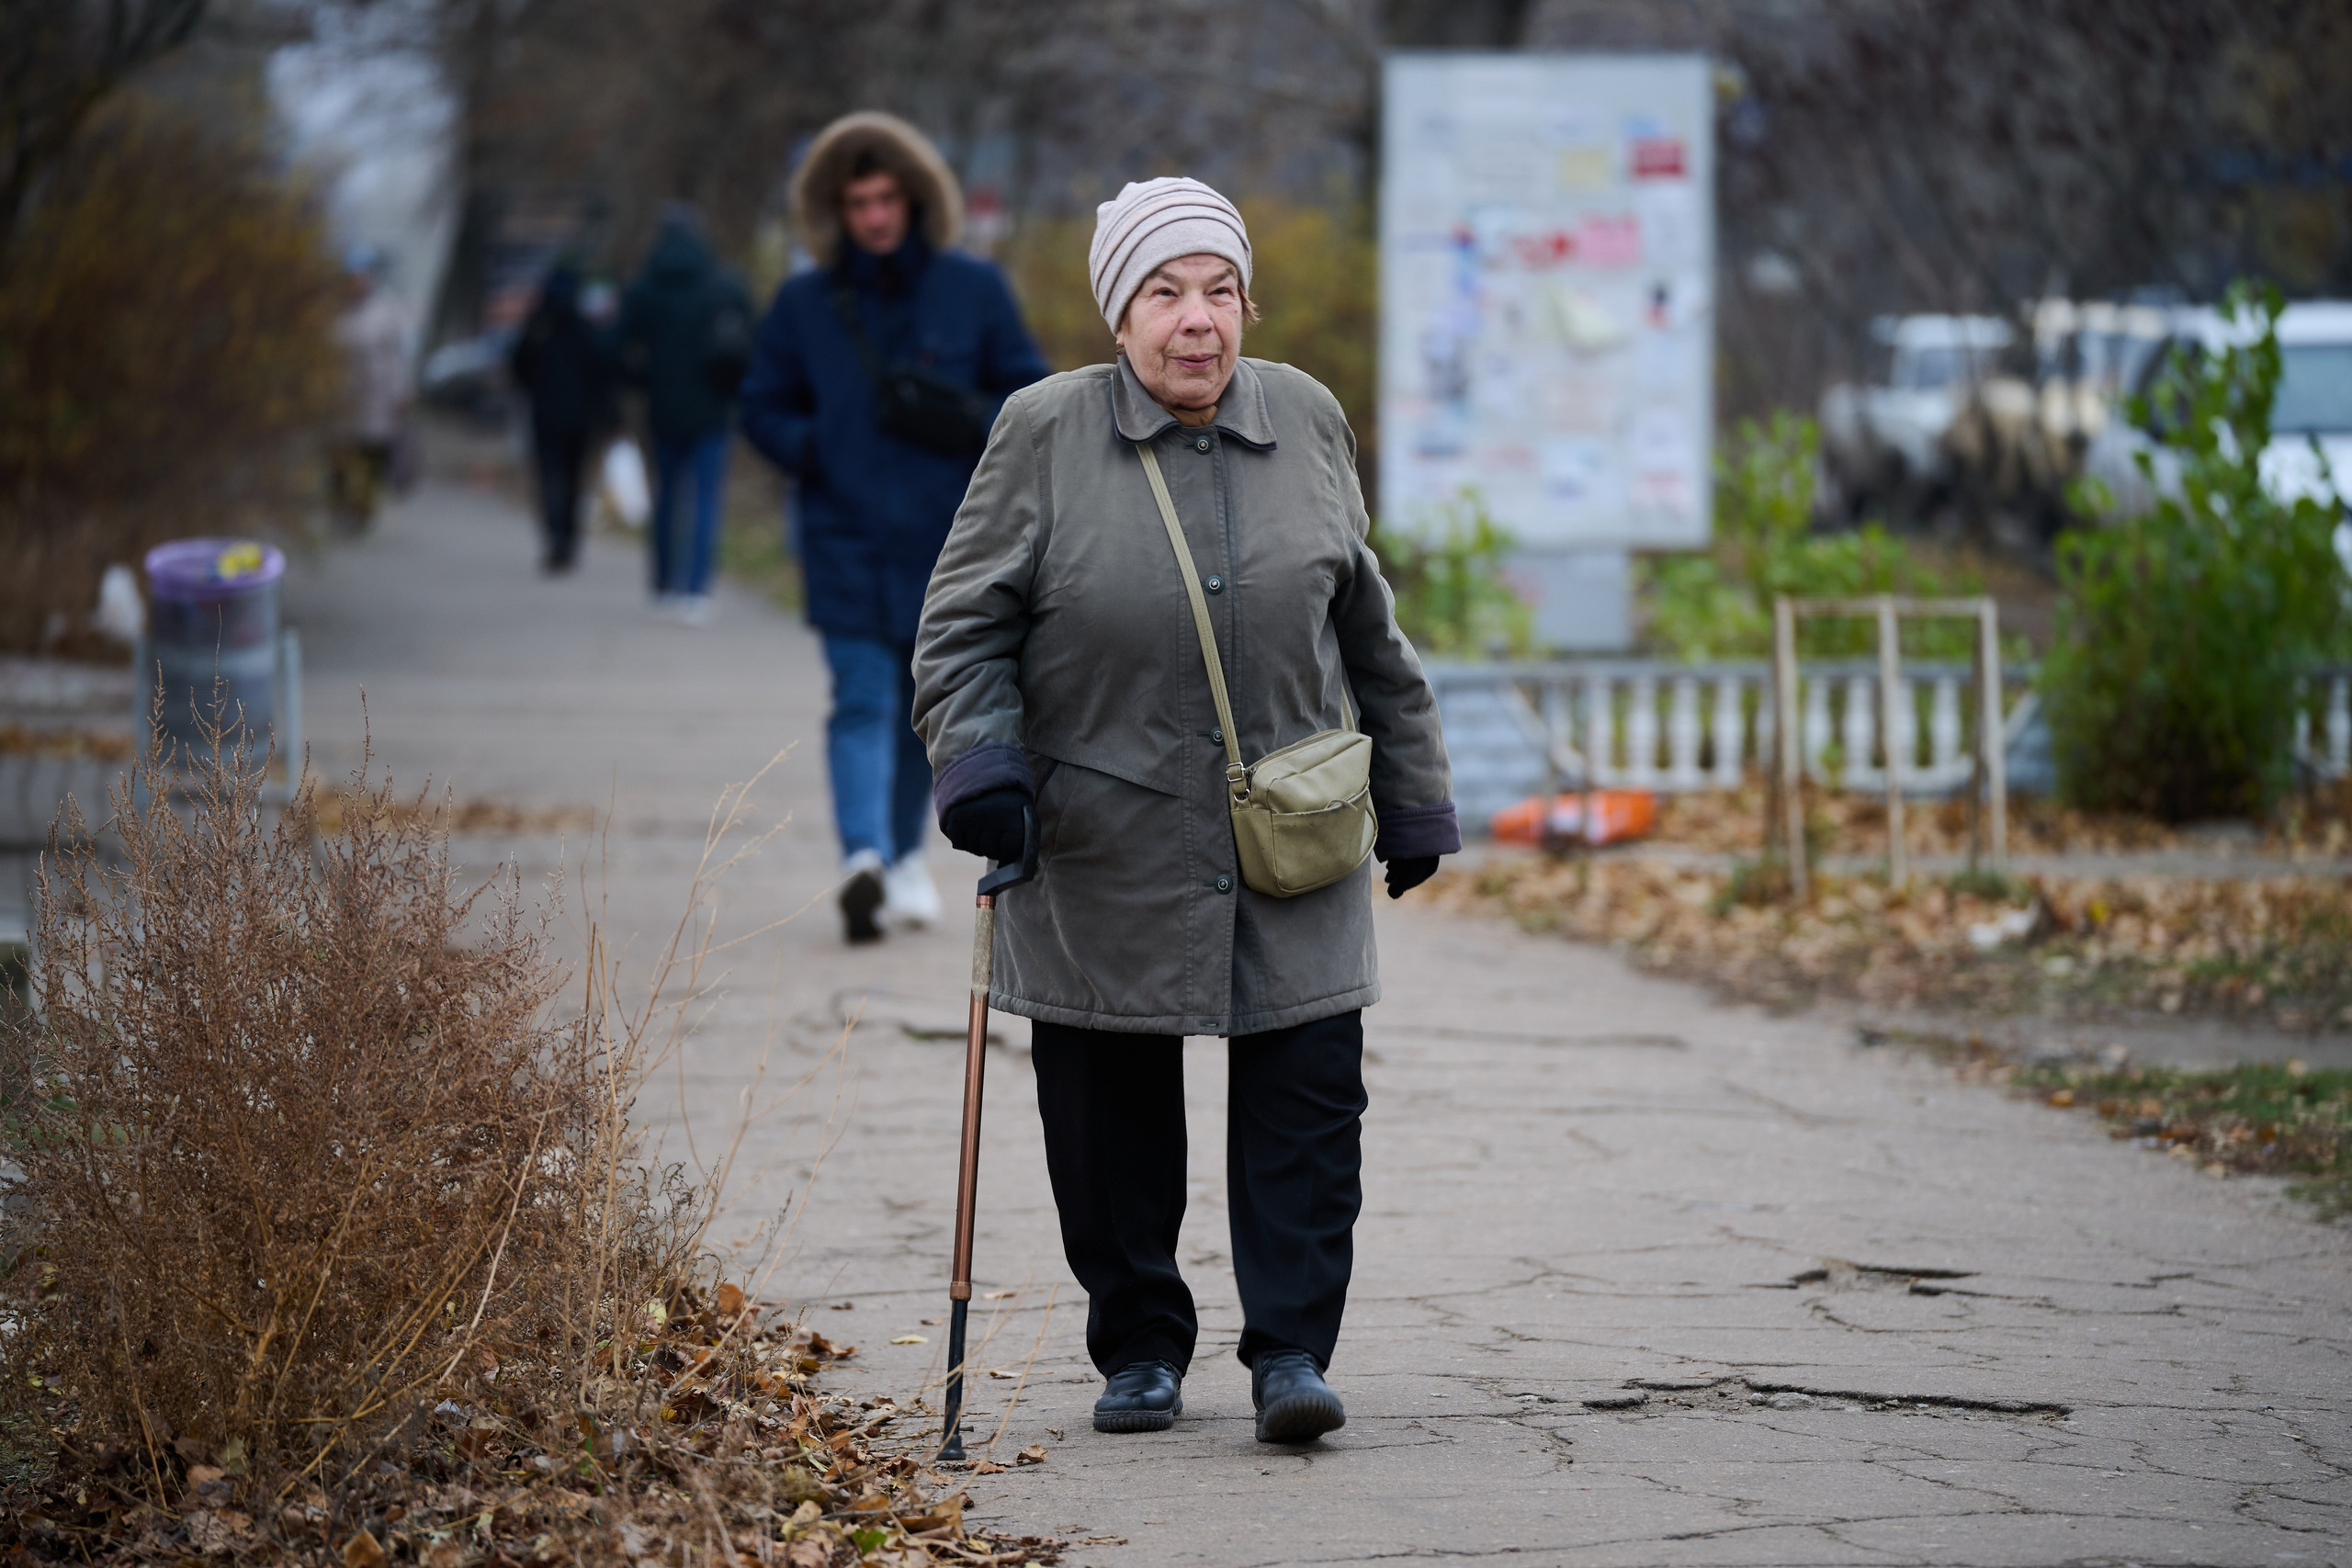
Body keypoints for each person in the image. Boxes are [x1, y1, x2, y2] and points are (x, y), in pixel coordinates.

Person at [910, 177, 1459, 1444]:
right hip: (1103, 833)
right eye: (1164, 292)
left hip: (1294, 826)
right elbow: (961, 626)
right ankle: (1141, 1344)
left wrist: (1415, 791)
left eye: (1218, 290)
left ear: (1248, 303)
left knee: (1311, 1096)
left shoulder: (1309, 417)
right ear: (1119, 315)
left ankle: (1291, 1355)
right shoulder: (1043, 433)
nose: (1196, 319)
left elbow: (1362, 618)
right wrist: (981, 762)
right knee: (1106, 1107)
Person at [741, 113, 1048, 943]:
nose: (873, 216)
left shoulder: (973, 290)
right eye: (856, 202)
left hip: (950, 539)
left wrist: (966, 426)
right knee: (860, 695)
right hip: (841, 532)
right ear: (836, 212)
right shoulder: (805, 303)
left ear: (912, 199)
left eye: (885, 198)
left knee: (925, 704)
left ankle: (906, 854)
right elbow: (760, 404)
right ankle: (862, 860)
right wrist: (816, 449)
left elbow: (1031, 401)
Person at [618, 205, 752, 624]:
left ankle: (662, 585)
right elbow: (752, 340)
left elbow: (618, 346)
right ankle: (697, 590)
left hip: (663, 409)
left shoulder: (644, 287)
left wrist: (644, 381)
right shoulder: (724, 284)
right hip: (714, 409)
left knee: (667, 499)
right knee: (706, 500)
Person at [509, 263, 616, 572]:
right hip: (580, 417)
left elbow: (518, 364)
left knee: (549, 478)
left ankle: (555, 539)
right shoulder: (586, 324)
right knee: (572, 479)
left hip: (545, 414)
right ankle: (568, 541)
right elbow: (602, 368)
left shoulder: (538, 324)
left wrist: (535, 391)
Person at [328, 245, 415, 533]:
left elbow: (399, 357)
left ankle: (362, 511)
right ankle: (339, 507)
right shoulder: (333, 311)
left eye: (359, 278)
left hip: (378, 396)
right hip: (340, 396)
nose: (354, 285)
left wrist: (401, 392)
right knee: (339, 456)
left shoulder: (387, 311)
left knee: (370, 455)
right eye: (350, 279)